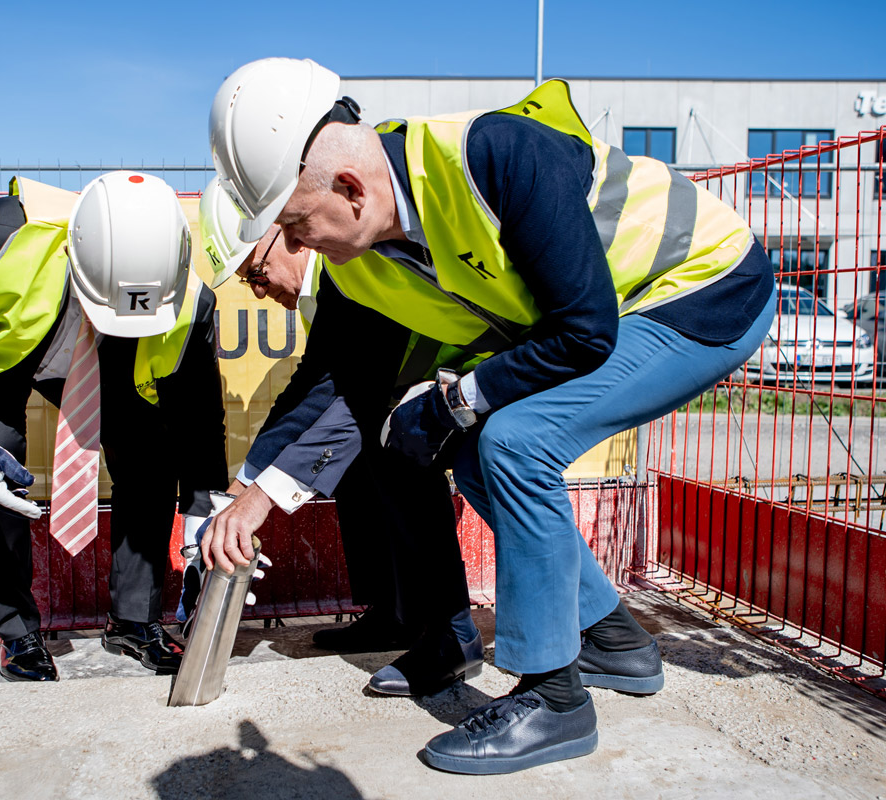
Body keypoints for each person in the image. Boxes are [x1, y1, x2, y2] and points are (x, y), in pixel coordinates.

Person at [204, 58, 775, 774]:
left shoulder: (495, 155)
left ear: (349, 190)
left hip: (704, 287)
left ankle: (555, 700)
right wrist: (255, 495)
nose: (297, 245)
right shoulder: (358, 264)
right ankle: (613, 639)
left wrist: (459, 400)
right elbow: (337, 387)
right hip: (616, 315)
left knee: (511, 441)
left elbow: (584, 332)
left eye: (294, 225)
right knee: (476, 454)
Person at [0, 172, 228, 682]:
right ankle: (16, 630)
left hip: (112, 363)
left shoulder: (190, 302)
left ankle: (133, 622)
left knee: (150, 457)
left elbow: (197, 412)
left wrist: (202, 512)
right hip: (10, 358)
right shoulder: (4, 231)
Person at [197, 178, 479, 657]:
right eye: (249, 284)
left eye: (257, 275)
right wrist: (242, 484)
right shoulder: (325, 285)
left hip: (485, 371)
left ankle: (442, 625)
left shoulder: (352, 264)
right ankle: (393, 613)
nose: (260, 292)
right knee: (358, 463)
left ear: (280, 234)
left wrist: (261, 497)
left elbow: (355, 398)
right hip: (433, 382)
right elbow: (310, 388)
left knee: (395, 447)